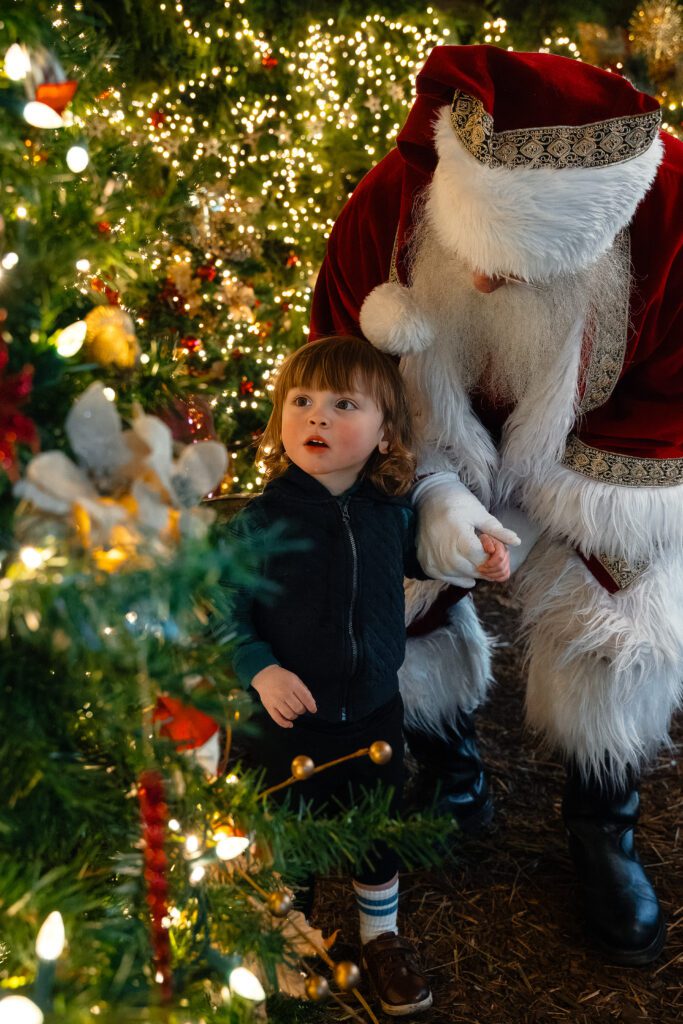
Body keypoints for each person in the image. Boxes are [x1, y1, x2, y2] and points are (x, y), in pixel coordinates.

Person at [310, 45, 683, 967]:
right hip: (434, 422)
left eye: (517, 270)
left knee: (622, 613)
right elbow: (338, 367)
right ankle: (448, 760)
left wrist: (575, 497)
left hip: (615, 438)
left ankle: (603, 819)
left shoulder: (673, 217)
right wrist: (428, 490)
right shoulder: (388, 205)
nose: (483, 285)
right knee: (385, 573)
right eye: (477, 257)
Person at [228, 334, 510, 1016]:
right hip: (284, 718)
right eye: (302, 401)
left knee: (372, 828)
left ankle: (379, 939)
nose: (317, 417)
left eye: (343, 404)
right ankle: (287, 938)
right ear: (280, 420)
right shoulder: (260, 522)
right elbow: (223, 611)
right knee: (286, 833)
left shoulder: (389, 514)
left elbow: (428, 557)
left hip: (375, 711)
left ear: (386, 436)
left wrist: (478, 557)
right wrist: (260, 671)